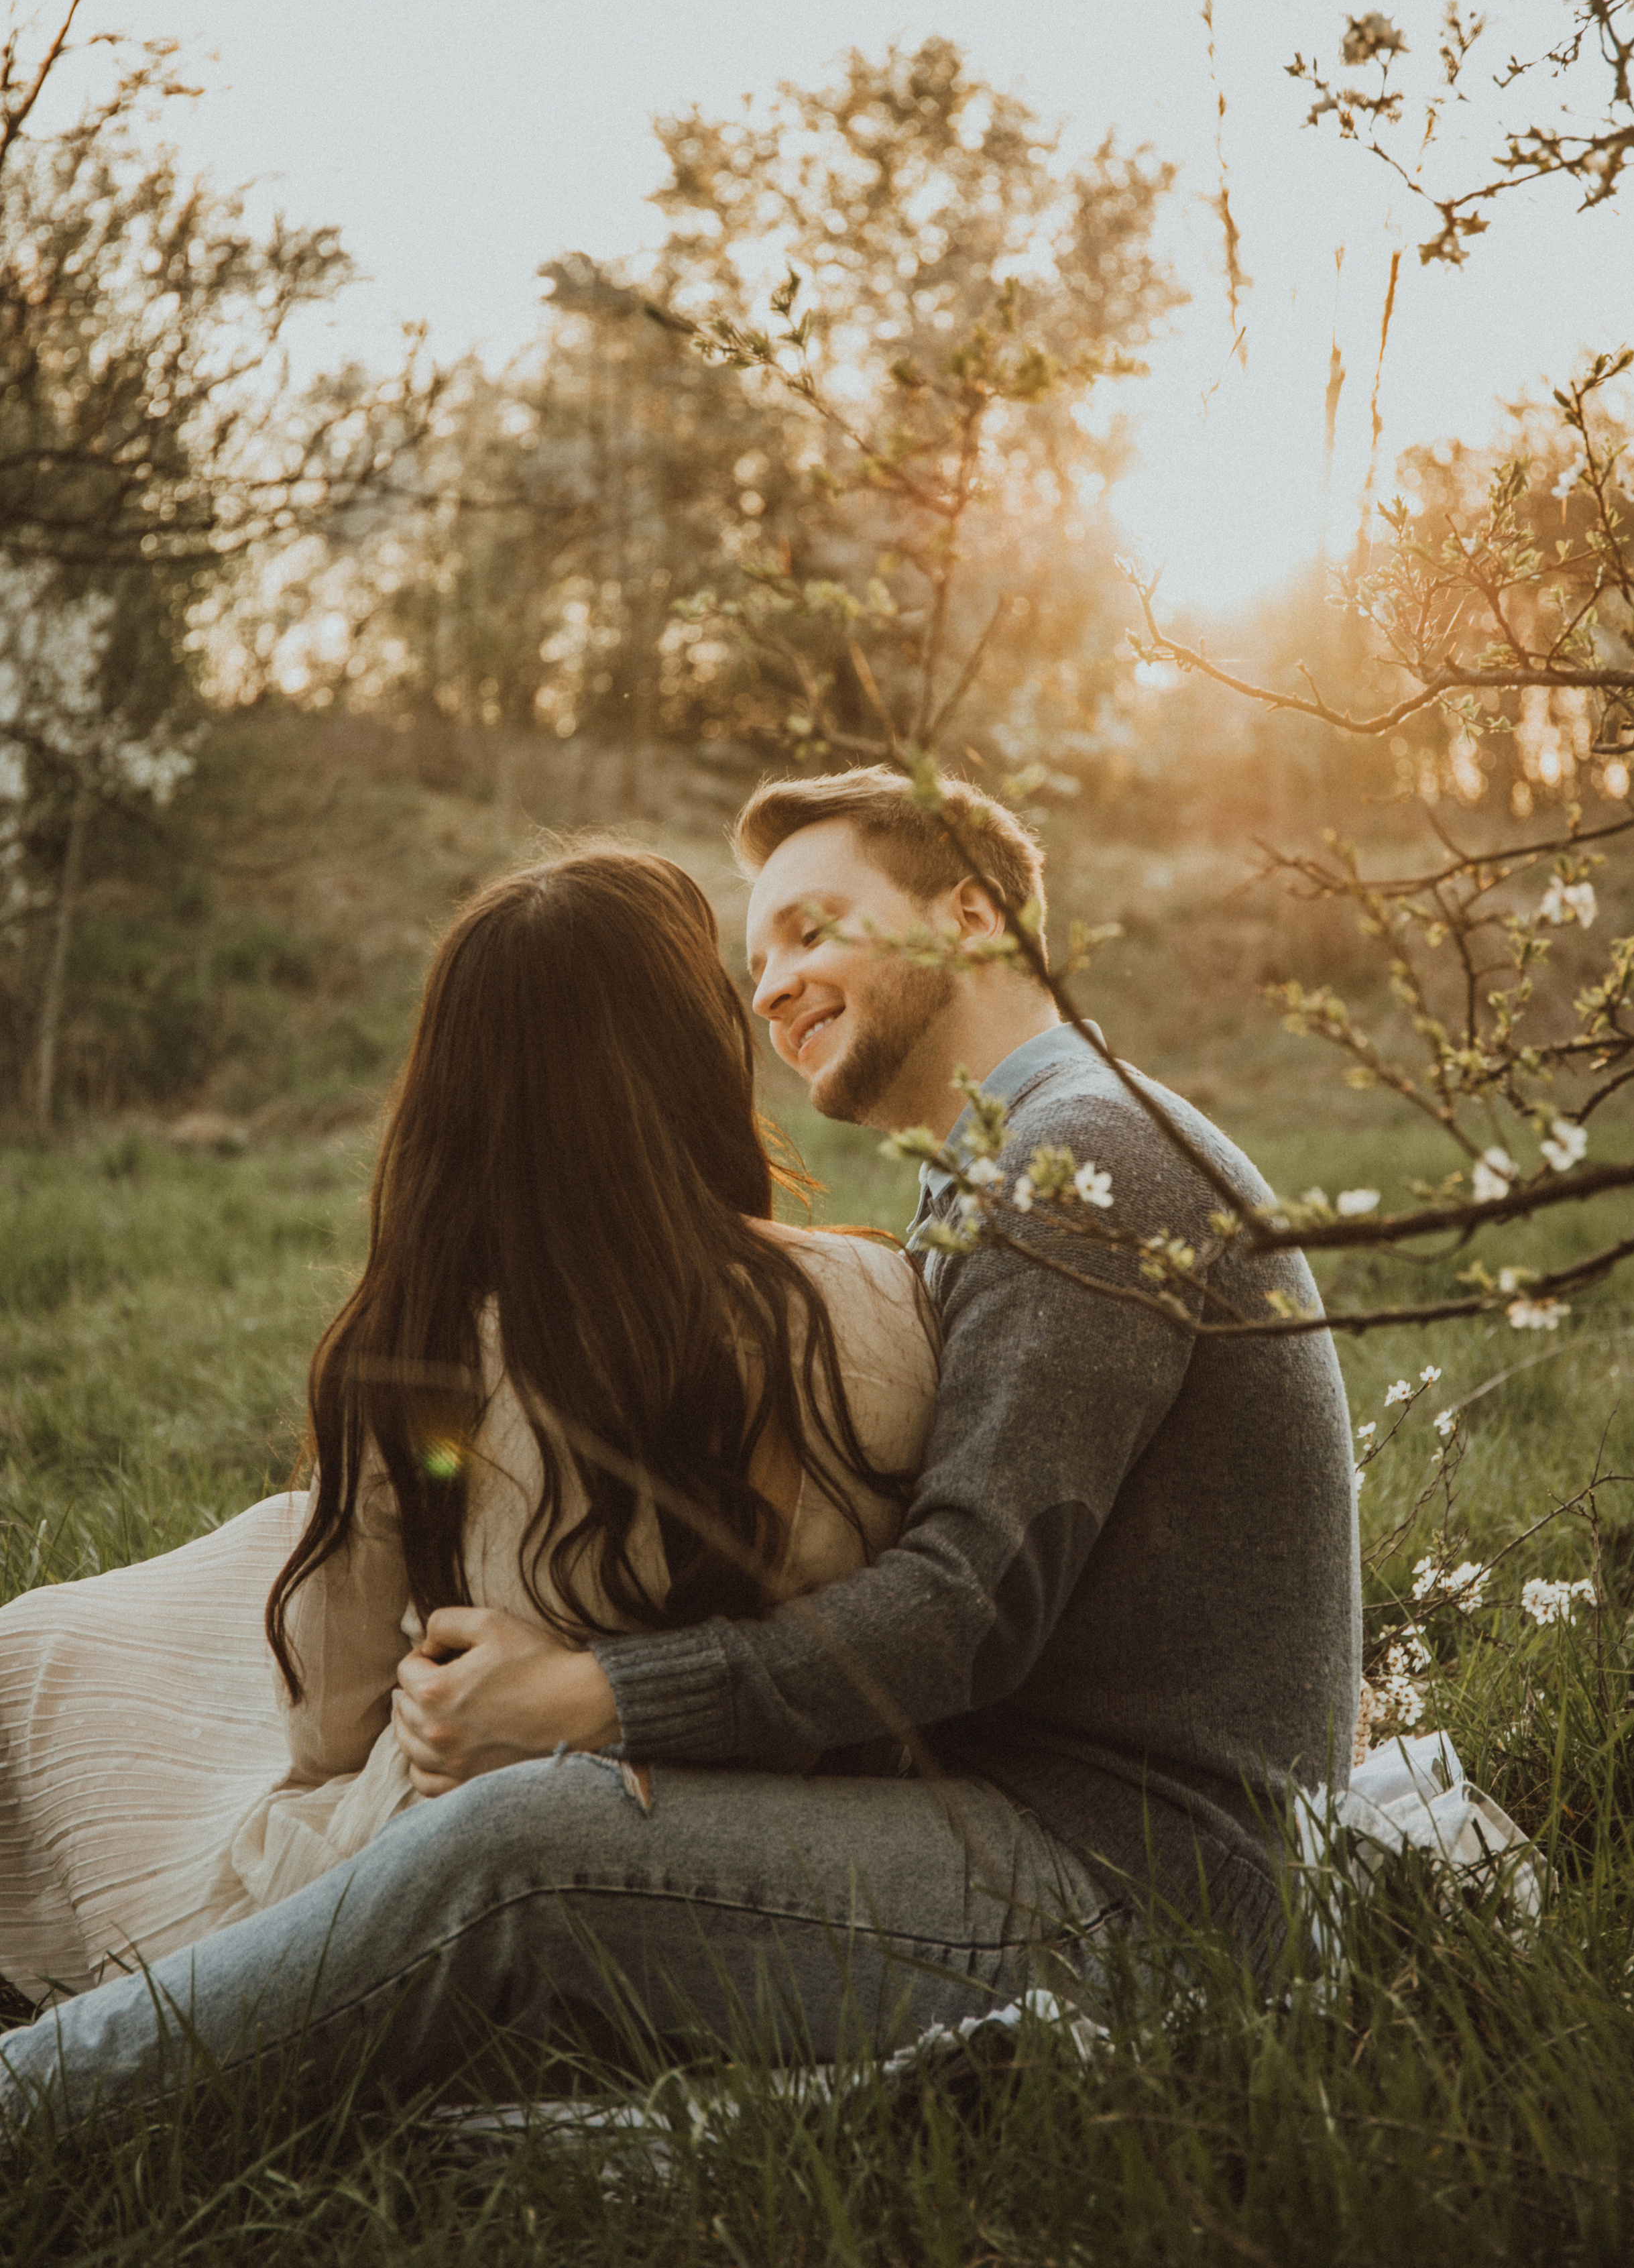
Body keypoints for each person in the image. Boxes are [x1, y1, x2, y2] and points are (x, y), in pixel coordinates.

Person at [2, 769, 1359, 2125]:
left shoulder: (1089, 1164)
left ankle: (35, 2103)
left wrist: (598, 1695)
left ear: (972, 917)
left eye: (814, 929)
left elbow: (963, 1614)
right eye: (753, 957)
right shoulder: (1014, 1166)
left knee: (519, 1847)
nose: (769, 989)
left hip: (1132, 1894)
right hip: (1034, 1816)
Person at [0, 844, 935, 2008]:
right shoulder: (883, 1292)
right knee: (248, 1550)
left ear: (457, 1095)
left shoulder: (429, 1345)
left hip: (469, 1851)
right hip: (793, 1834)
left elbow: (332, 1726)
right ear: (700, 1053)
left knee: (45, 1656)